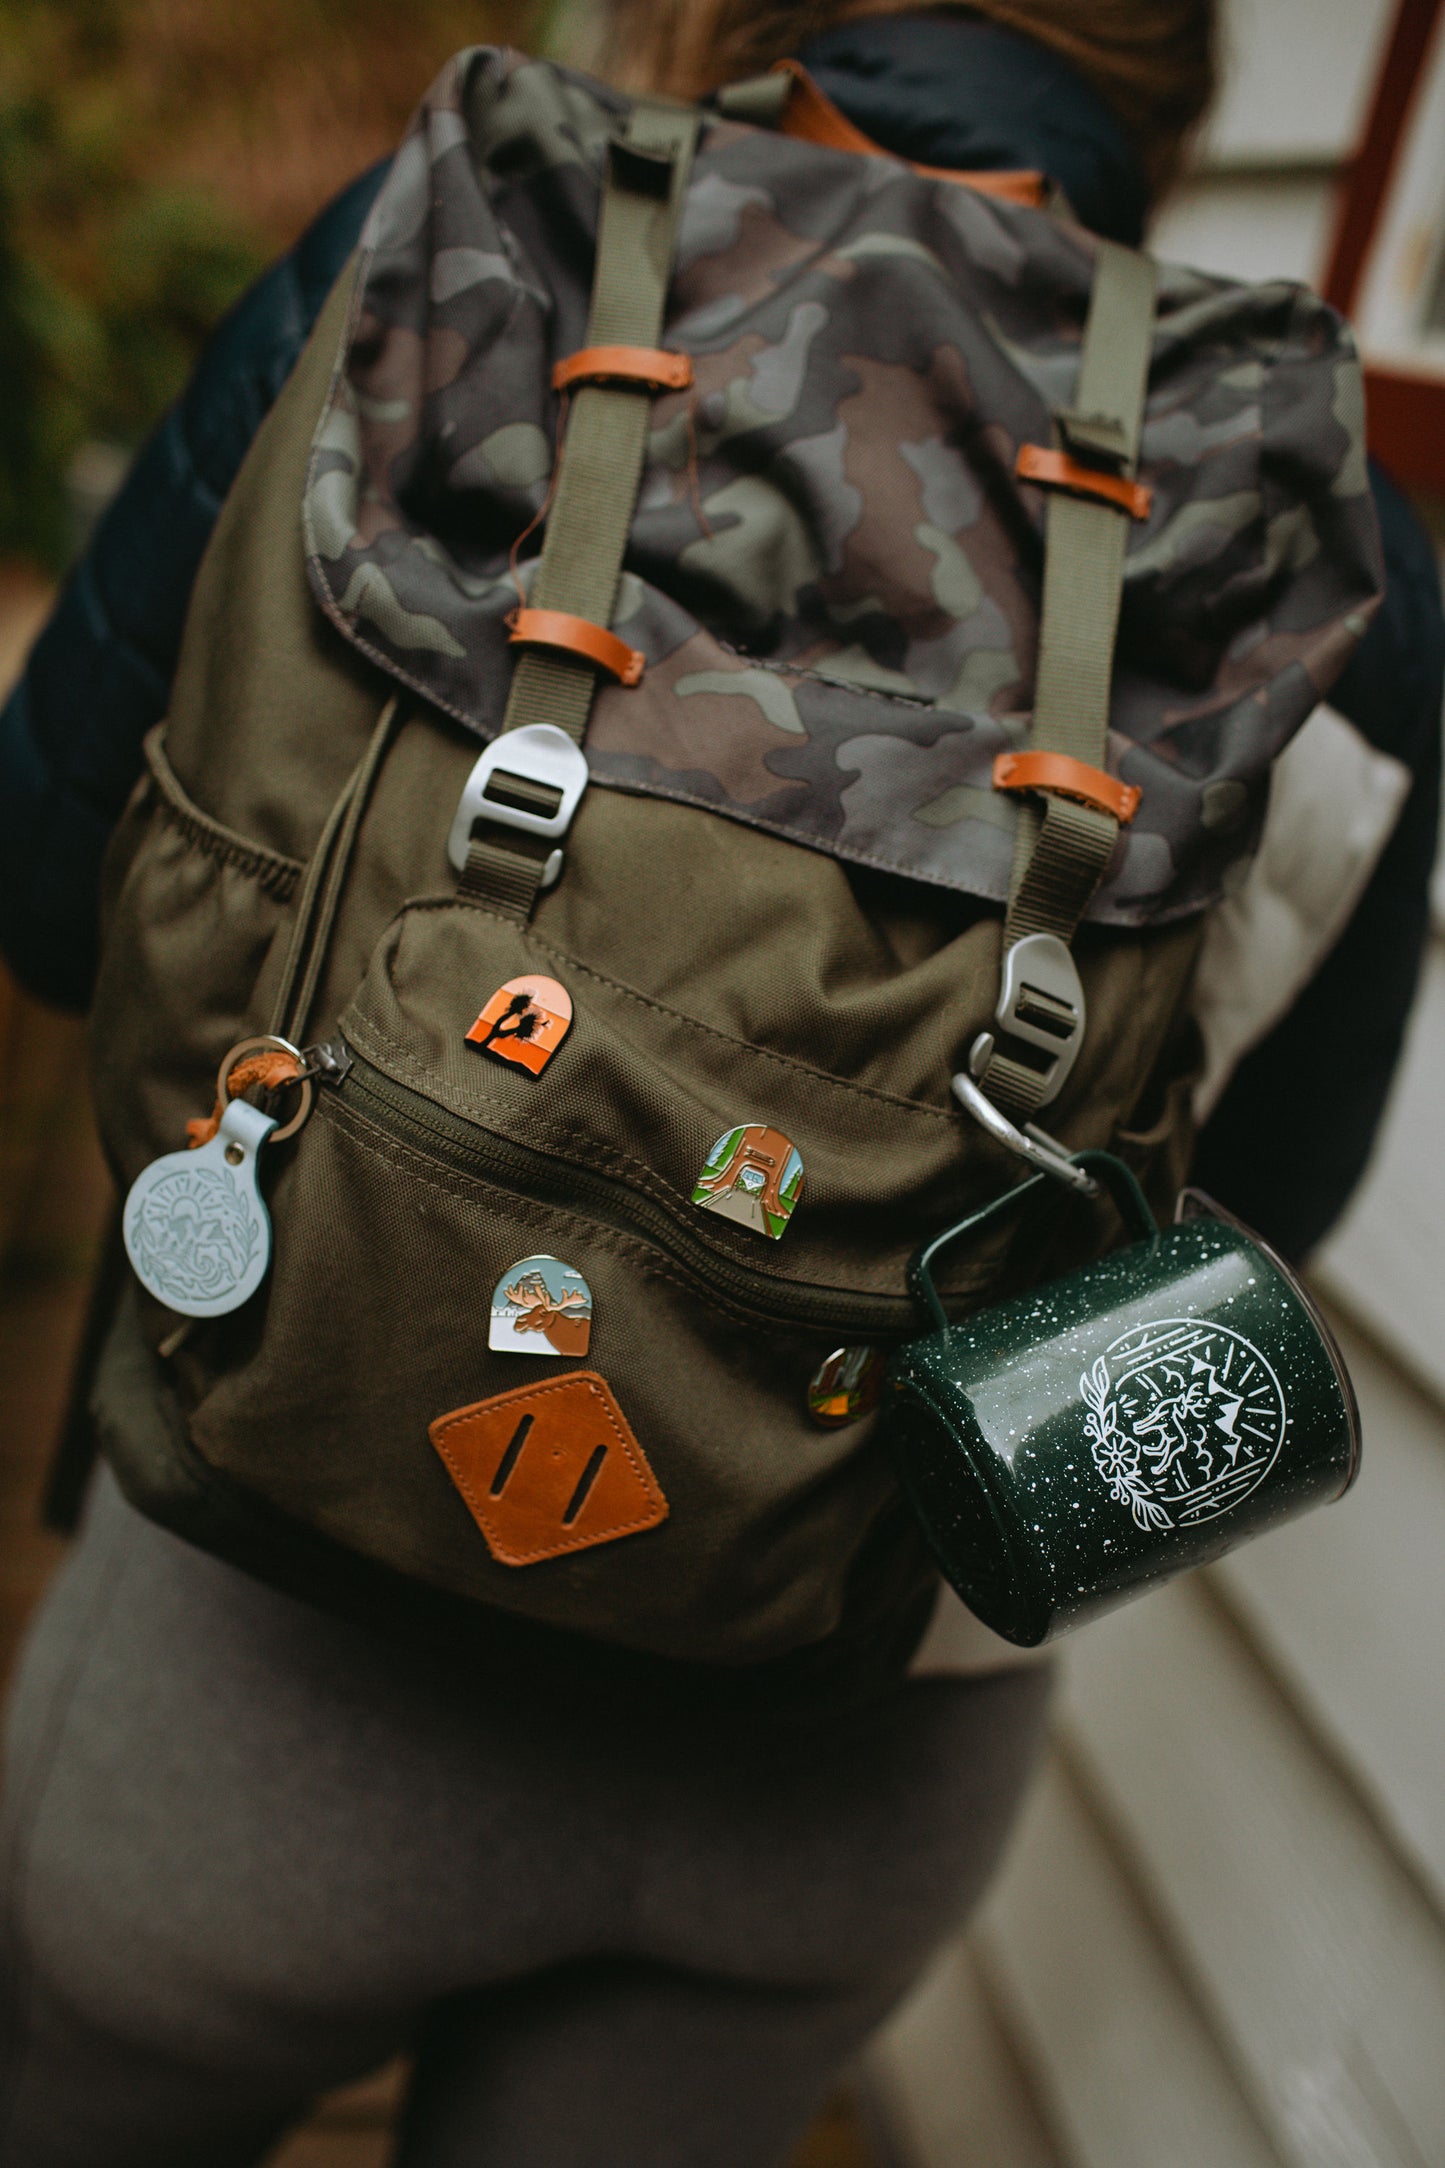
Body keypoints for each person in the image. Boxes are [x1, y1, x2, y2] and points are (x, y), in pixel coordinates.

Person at [0, 7, 1438, 2164]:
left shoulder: (464, 257)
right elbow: (1265, 1219)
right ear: (1172, 89)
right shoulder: (1327, 533)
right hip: (841, 1758)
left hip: (265, 1660)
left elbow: (47, 885)